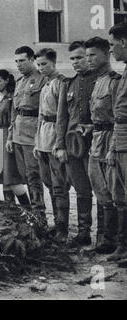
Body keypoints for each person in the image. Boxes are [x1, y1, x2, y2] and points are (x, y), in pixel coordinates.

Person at [54, 41, 97, 247]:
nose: (76, 62)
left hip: (95, 143)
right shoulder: (68, 84)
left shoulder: (101, 80)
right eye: (72, 58)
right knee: (81, 190)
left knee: (103, 191)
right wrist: (60, 145)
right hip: (72, 144)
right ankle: (83, 232)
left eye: (80, 57)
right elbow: (61, 118)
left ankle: (107, 236)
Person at [85, 37, 121, 254]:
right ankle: (107, 240)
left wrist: (113, 147)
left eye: (93, 55)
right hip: (97, 137)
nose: (89, 59)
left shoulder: (116, 81)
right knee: (101, 190)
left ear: (106, 54)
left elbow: (119, 116)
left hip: (111, 137)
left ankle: (117, 242)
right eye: (87, 55)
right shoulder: (97, 80)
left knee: (116, 193)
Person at [33, 48, 70, 241]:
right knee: (48, 183)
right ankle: (56, 224)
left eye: (44, 64)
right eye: (38, 65)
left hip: (55, 136)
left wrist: (59, 142)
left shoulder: (61, 83)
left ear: (54, 63)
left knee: (59, 186)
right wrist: (37, 143)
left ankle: (63, 229)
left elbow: (62, 115)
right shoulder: (45, 84)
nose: (41, 68)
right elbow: (41, 114)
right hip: (43, 138)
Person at [6, 46, 46, 216]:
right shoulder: (19, 81)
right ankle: (30, 213)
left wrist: (39, 136)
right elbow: (14, 111)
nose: (18, 64)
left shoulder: (42, 79)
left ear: (31, 60)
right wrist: (10, 136)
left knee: (33, 176)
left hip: (32, 133)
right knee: (24, 176)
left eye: (22, 60)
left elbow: (44, 110)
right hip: (18, 133)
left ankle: (39, 215)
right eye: (16, 61)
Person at [0, 69, 30, 208]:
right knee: (3, 176)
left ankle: (28, 209)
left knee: (10, 175)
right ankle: (11, 209)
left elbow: (14, 119)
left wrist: (10, 138)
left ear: (6, 80)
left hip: (7, 135)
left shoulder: (12, 97)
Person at [105, 22, 127, 262]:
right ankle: (122, 246)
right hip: (120, 136)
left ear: (123, 42)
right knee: (120, 195)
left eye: (112, 45)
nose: (111, 51)